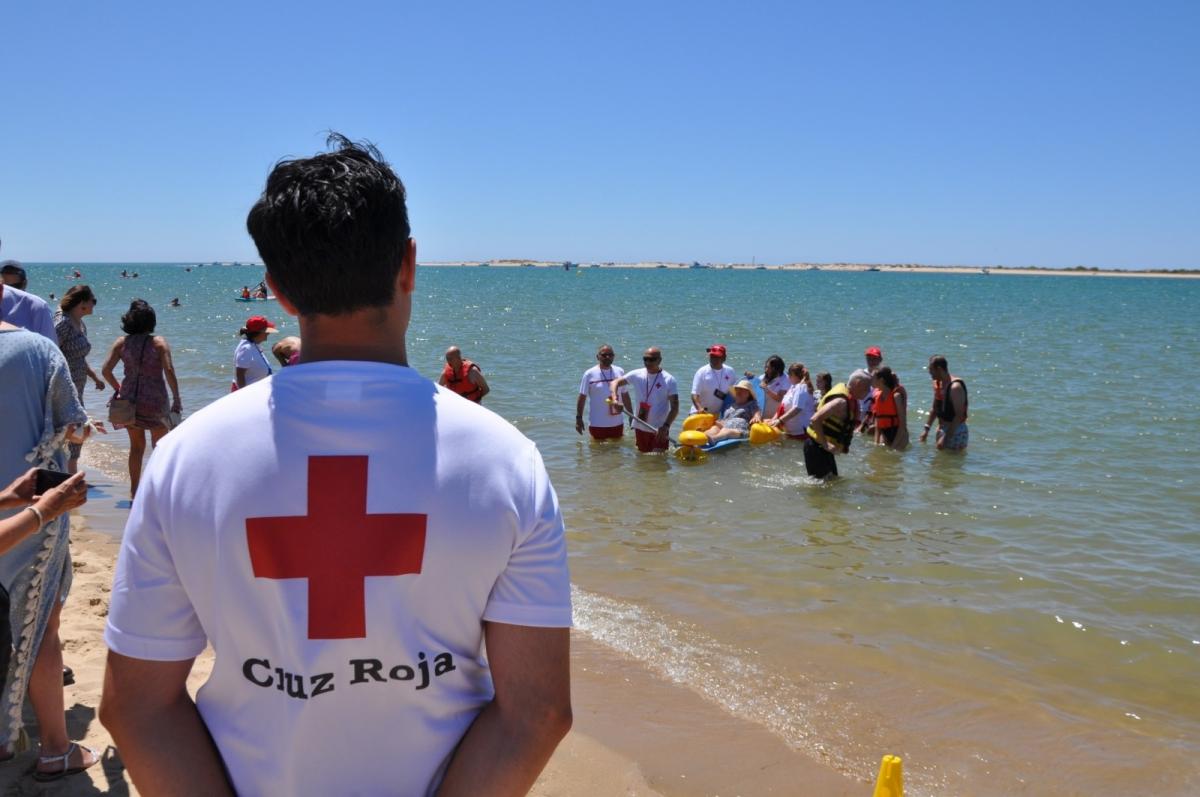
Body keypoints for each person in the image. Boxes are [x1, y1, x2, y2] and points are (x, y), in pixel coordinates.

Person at [100, 134, 572, 796]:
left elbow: (135, 705)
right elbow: (539, 712)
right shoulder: (506, 461)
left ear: (279, 290)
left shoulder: (185, 459)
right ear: (409, 264)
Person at [0, 318, 98, 781]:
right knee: (39, 628)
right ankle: (56, 748)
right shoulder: (37, 350)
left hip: (12, 499)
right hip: (32, 502)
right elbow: (74, 425)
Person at [100, 300, 182, 497]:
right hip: (155, 401)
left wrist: (119, 389)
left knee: (136, 448)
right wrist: (176, 398)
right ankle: (158, 492)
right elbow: (169, 370)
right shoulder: (159, 343)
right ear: (151, 322)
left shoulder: (122, 343)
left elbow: (105, 370)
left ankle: (135, 492)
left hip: (130, 402)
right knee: (160, 447)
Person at [54, 286, 107, 473]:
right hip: (64, 388)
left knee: (77, 429)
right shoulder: (63, 323)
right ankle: (64, 476)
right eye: (93, 300)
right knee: (69, 429)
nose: (94, 304)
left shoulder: (80, 324)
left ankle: (71, 476)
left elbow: (79, 357)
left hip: (78, 388)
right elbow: (51, 353)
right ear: (82, 303)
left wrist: (94, 377)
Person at [803, 369, 872, 479]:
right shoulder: (841, 402)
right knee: (822, 487)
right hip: (816, 446)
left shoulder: (852, 400)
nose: (869, 391)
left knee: (832, 482)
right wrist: (826, 444)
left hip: (823, 448)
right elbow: (815, 419)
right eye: (867, 388)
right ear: (858, 384)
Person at [611, 347, 679, 452]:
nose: (648, 362)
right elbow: (614, 383)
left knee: (658, 462)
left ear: (659, 360)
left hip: (659, 430)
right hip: (640, 426)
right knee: (642, 461)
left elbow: (675, 408)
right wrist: (615, 399)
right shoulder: (637, 374)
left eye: (651, 359)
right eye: (645, 359)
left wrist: (666, 426)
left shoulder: (669, 380)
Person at [576, 344, 629, 440]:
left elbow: (625, 395)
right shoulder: (589, 374)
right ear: (598, 357)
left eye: (610, 354)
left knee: (617, 453)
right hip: (597, 424)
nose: (607, 357)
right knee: (597, 453)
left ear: (614, 356)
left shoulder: (620, 371)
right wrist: (579, 418)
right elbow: (582, 397)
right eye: (604, 355)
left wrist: (631, 416)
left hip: (617, 423)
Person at [920, 355, 969, 451]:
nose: (930, 373)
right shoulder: (938, 384)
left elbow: (958, 416)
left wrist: (946, 438)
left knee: (952, 463)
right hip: (942, 428)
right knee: (939, 463)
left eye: (931, 370)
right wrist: (926, 429)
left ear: (939, 369)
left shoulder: (955, 387)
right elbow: (935, 408)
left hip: (955, 430)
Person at [768, 363, 816, 439]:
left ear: (797, 376)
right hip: (792, 432)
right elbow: (783, 406)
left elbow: (797, 408)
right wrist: (773, 420)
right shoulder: (793, 387)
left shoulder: (802, 387)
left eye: (790, 375)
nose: (788, 377)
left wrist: (780, 421)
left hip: (802, 431)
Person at [691, 344, 736, 415]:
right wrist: (699, 408)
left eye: (717, 357)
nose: (713, 359)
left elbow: (734, 393)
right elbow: (694, 395)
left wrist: (748, 378)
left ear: (724, 358)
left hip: (719, 415)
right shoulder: (701, 372)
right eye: (712, 356)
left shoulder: (730, 371)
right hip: (700, 413)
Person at [233, 315, 277, 388]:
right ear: (259, 332)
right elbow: (240, 376)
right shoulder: (246, 348)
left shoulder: (254, 344)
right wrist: (244, 395)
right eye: (266, 332)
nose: (268, 333)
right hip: (248, 394)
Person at [871, 366, 909, 449]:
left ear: (881, 380)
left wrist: (894, 446)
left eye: (873, 378)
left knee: (894, 454)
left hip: (900, 434)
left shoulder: (896, 396)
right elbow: (878, 421)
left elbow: (903, 424)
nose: (870, 380)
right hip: (885, 433)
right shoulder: (877, 396)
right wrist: (876, 441)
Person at [858, 346, 884, 434]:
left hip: (877, 414)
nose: (871, 361)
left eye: (874, 358)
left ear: (880, 359)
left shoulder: (885, 376)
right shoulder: (860, 375)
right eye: (869, 358)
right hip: (861, 412)